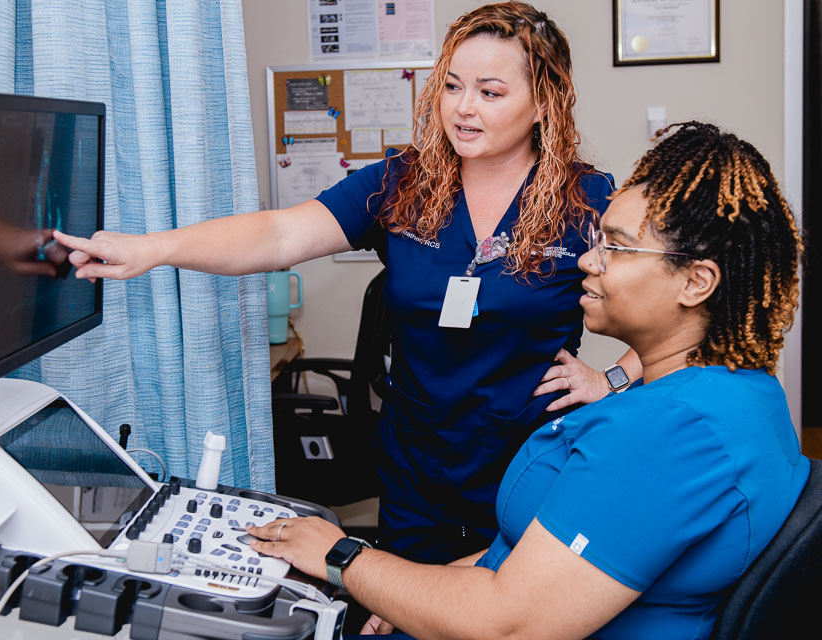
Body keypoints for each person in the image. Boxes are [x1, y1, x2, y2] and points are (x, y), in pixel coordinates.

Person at [55, 0, 640, 563]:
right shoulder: (402, 185)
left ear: (544, 104)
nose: (464, 108)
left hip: (529, 471)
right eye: (453, 85)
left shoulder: (587, 203)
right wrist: (153, 249)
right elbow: (279, 236)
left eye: (490, 93)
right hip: (418, 472)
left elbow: (689, 308)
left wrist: (613, 377)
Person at [245, 121, 809, 640]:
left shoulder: (670, 435)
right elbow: (539, 562)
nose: (589, 261)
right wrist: (402, 591)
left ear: (696, 282)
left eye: (614, 245)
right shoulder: (744, 390)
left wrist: (341, 555)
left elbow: (507, 622)